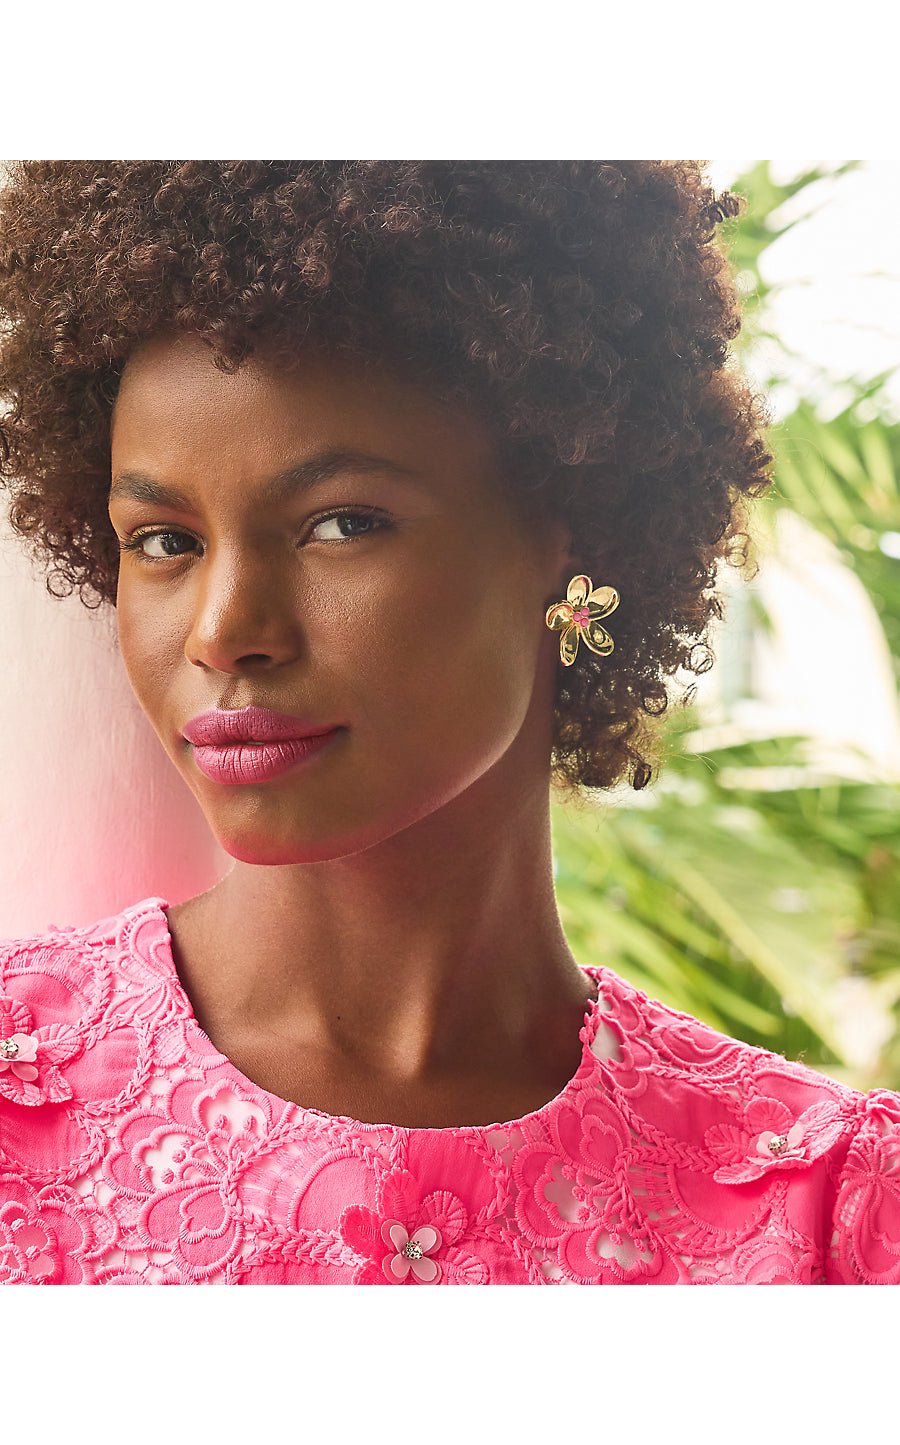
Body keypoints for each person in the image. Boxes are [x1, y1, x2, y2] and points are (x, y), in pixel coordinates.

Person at [0, 160, 895, 1286]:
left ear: (570, 536)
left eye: (341, 523)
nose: (224, 632)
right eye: (165, 541)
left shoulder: (828, 1214)